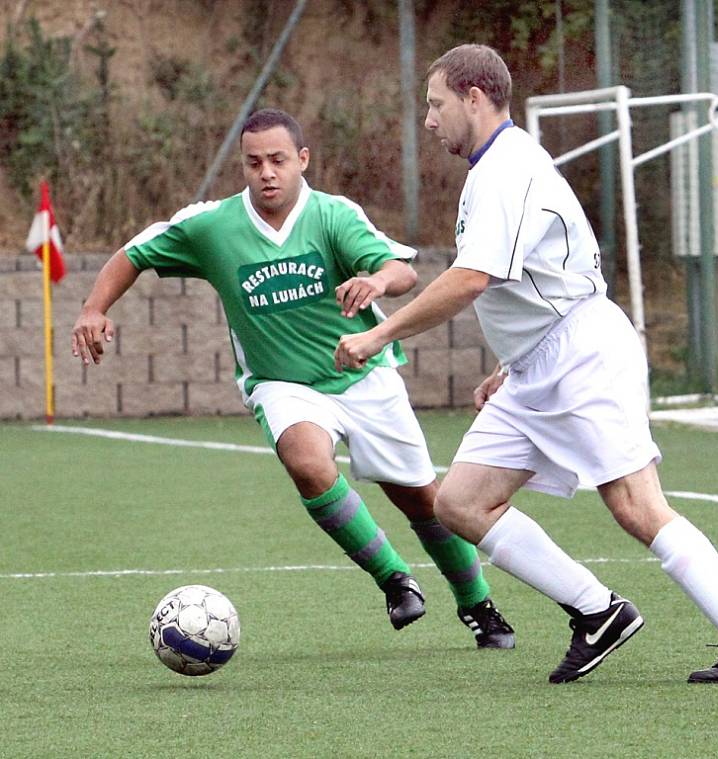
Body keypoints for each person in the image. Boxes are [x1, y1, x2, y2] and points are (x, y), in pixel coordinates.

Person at [334, 44, 718, 684]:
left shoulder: (506, 169)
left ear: (474, 97)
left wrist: (380, 335)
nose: (430, 121)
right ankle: (597, 610)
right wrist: (508, 362)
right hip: (536, 365)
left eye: (436, 105)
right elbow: (526, 277)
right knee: (461, 503)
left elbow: (471, 279)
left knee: (635, 505)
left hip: (583, 357)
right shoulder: (493, 169)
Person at [71, 107, 515, 649]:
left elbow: (403, 270)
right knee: (306, 463)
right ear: (243, 165)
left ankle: (478, 605)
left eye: (279, 160)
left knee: (423, 501)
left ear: (302, 160)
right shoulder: (212, 226)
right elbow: (134, 253)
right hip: (282, 384)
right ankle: (395, 578)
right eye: (254, 162)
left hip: (362, 374)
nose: (267, 173)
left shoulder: (332, 215)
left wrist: (375, 281)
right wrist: (94, 308)